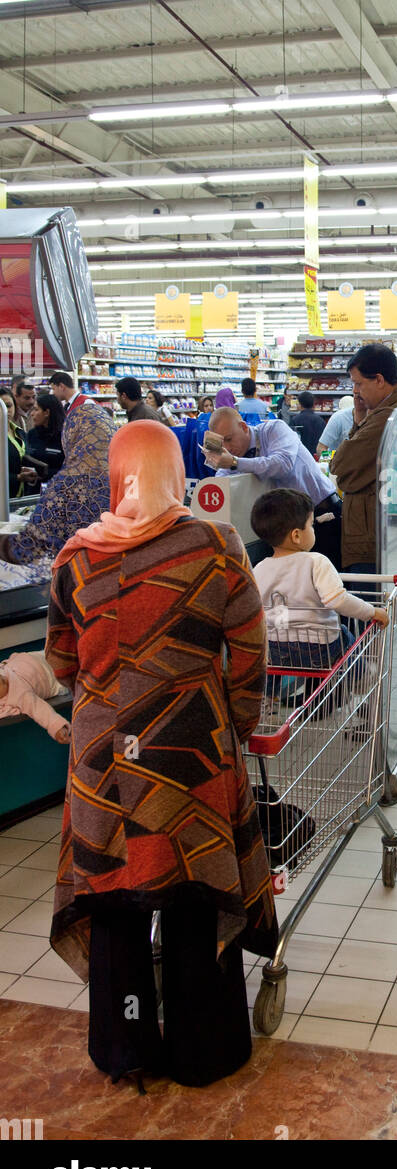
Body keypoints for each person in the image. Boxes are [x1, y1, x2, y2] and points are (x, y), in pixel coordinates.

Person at [45, 420, 277, 1090]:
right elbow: (249, 650)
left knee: (114, 898)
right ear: (176, 472)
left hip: (100, 758)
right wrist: (236, 719)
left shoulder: (76, 556)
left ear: (119, 475)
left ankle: (125, 1049)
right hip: (189, 750)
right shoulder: (216, 545)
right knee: (194, 893)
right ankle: (204, 1050)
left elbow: (62, 662)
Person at [250, 488, 388, 669]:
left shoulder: (259, 568)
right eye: (311, 525)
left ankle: (270, 695)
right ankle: (362, 678)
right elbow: (337, 600)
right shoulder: (316, 562)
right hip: (320, 647)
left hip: (275, 647)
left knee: (273, 667)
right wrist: (371, 612)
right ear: (297, 535)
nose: (313, 529)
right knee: (344, 635)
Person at [329, 343, 397, 573]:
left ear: (378, 379)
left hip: (374, 538)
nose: (356, 392)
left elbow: (339, 469)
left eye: (359, 384)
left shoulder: (388, 418)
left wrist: (358, 422)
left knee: (370, 606)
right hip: (394, 533)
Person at [207, 407, 342, 567]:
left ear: (243, 427)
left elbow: (282, 463)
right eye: (222, 444)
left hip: (322, 515)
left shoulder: (274, 429)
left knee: (329, 579)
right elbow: (220, 481)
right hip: (283, 530)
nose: (227, 448)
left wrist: (236, 462)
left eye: (229, 439)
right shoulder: (236, 456)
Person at [0, 403, 113, 587]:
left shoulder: (67, 485)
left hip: (79, 582)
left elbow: (26, 549)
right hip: (119, 582)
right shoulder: (126, 476)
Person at [0, 651, 69, 742]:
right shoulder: (20, 694)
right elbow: (39, 709)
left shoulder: (3, 671)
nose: (4, 678)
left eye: (1, 677)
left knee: (58, 651)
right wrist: (56, 727)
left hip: (34, 658)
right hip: (48, 673)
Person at [0, 388, 38, 496]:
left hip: (22, 498)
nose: (5, 411)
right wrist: (17, 477)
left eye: (8, 406)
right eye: (1, 406)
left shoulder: (19, 432)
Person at [26, 390, 65, 480]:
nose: (32, 414)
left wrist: (45, 474)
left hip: (57, 489)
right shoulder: (32, 434)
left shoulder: (65, 437)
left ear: (46, 412)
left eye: (36, 409)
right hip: (33, 490)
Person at [289, 391, 326, 455]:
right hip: (316, 456)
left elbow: (290, 441)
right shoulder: (320, 420)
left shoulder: (295, 420)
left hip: (300, 456)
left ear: (300, 404)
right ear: (313, 404)